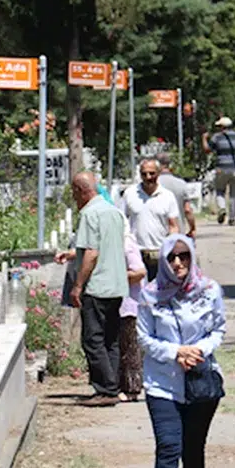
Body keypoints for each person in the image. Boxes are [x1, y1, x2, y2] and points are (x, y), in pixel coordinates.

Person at [137, 234, 227, 468]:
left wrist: (197, 351)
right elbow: (144, 338)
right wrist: (176, 352)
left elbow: (218, 329)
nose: (178, 263)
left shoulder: (209, 290)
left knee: (192, 449)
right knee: (168, 445)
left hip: (200, 381)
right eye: (172, 257)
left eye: (184, 256)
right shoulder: (150, 295)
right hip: (162, 383)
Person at [68, 171, 129, 407]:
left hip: (97, 286)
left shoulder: (89, 214)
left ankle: (106, 388)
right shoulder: (113, 211)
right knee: (110, 339)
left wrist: (78, 285)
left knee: (92, 340)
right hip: (116, 284)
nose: (74, 198)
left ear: (81, 191)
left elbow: (91, 253)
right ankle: (111, 386)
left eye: (74, 192)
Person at [123, 158, 180, 281]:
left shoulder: (167, 196)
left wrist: (171, 248)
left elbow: (173, 226)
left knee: (160, 289)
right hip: (136, 253)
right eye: (144, 174)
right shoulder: (130, 194)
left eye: (152, 173)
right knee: (138, 290)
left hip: (160, 252)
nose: (148, 177)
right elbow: (122, 220)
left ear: (158, 173)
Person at [118, 225, 148, 402]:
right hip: (119, 302)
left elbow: (139, 272)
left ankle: (132, 388)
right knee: (122, 346)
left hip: (130, 303)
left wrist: (114, 277)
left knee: (131, 348)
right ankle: (122, 384)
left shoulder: (127, 244)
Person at [206, 117, 235, 225]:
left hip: (221, 168)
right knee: (234, 193)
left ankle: (222, 208)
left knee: (220, 190)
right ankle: (232, 218)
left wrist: (204, 139)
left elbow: (207, 150)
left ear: (222, 127)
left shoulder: (217, 137)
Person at [156, 152, 197, 239]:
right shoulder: (181, 184)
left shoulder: (152, 185)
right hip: (178, 232)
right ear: (169, 165)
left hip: (157, 234)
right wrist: (192, 228)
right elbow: (187, 210)